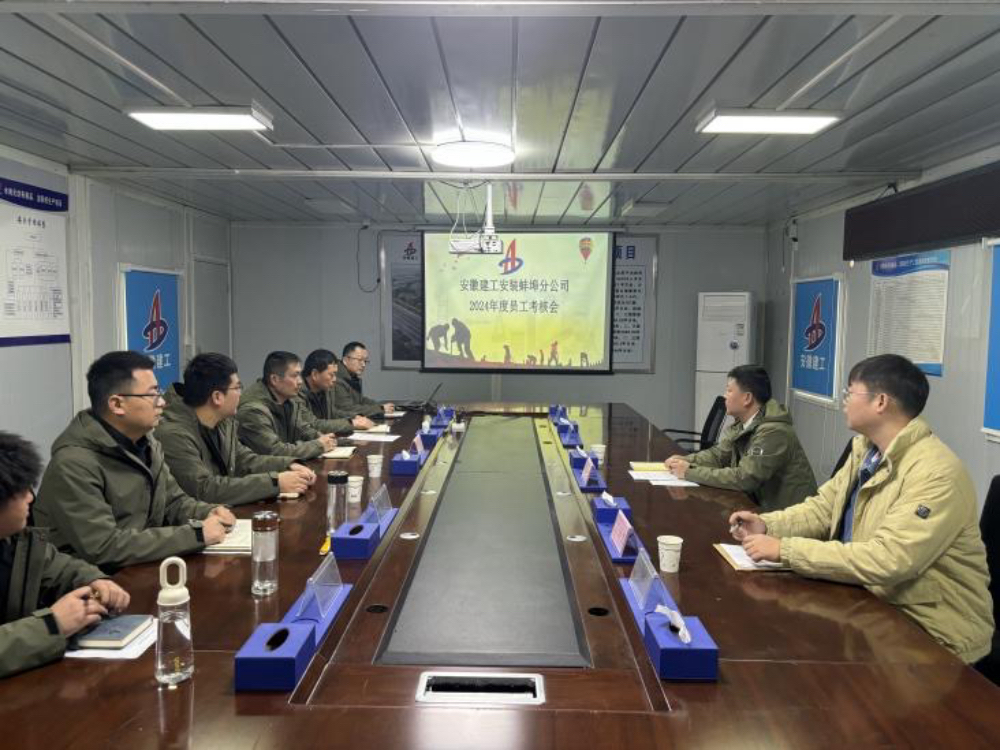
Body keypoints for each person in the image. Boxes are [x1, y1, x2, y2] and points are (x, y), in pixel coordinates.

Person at [730, 354, 994, 664]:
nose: (844, 401)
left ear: (880, 402)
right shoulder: (866, 450)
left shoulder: (936, 473)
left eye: (850, 392)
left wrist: (786, 550)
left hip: (930, 631)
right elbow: (823, 509)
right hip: (870, 602)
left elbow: (890, 559)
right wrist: (767, 525)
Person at [33, 351, 234, 572]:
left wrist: (207, 512)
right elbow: (104, 547)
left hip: (140, 567)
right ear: (117, 404)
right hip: (93, 582)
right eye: (152, 394)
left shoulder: (146, 442)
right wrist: (196, 534)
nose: (162, 402)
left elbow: (173, 502)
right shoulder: (73, 464)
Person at [0, 431, 131, 678]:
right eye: (20, 490)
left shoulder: (15, 539)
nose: (31, 497)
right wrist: (53, 625)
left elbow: (57, 566)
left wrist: (95, 580)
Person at [157, 353, 315, 506]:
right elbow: (204, 489)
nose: (241, 394)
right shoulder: (174, 434)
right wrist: (274, 482)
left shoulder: (223, 423)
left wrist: (288, 465)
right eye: (237, 388)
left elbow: (245, 460)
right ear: (217, 397)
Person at [665, 365, 816, 511]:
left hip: (787, 516)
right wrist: (686, 460)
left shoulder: (773, 432)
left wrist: (690, 472)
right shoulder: (743, 424)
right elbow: (718, 455)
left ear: (747, 398)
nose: (725, 396)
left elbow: (746, 478)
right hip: (758, 507)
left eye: (729, 390)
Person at [238, 351, 337, 459]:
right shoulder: (253, 411)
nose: (300, 381)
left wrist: (321, 437)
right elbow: (275, 451)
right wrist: (318, 445)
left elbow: (301, 429)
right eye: (294, 376)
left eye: (299, 375)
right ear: (274, 379)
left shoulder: (289, 400)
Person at [299, 349, 374, 433]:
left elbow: (332, 413)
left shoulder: (325, 388)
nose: (335, 379)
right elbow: (313, 424)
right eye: (331, 375)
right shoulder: (297, 393)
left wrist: (355, 417)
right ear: (315, 374)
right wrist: (352, 423)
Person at [334, 342, 394, 418]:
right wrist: (380, 408)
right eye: (360, 360)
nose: (363, 365)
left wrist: (380, 406)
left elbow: (360, 400)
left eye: (365, 361)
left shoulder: (352, 376)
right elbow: (348, 408)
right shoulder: (336, 378)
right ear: (345, 360)